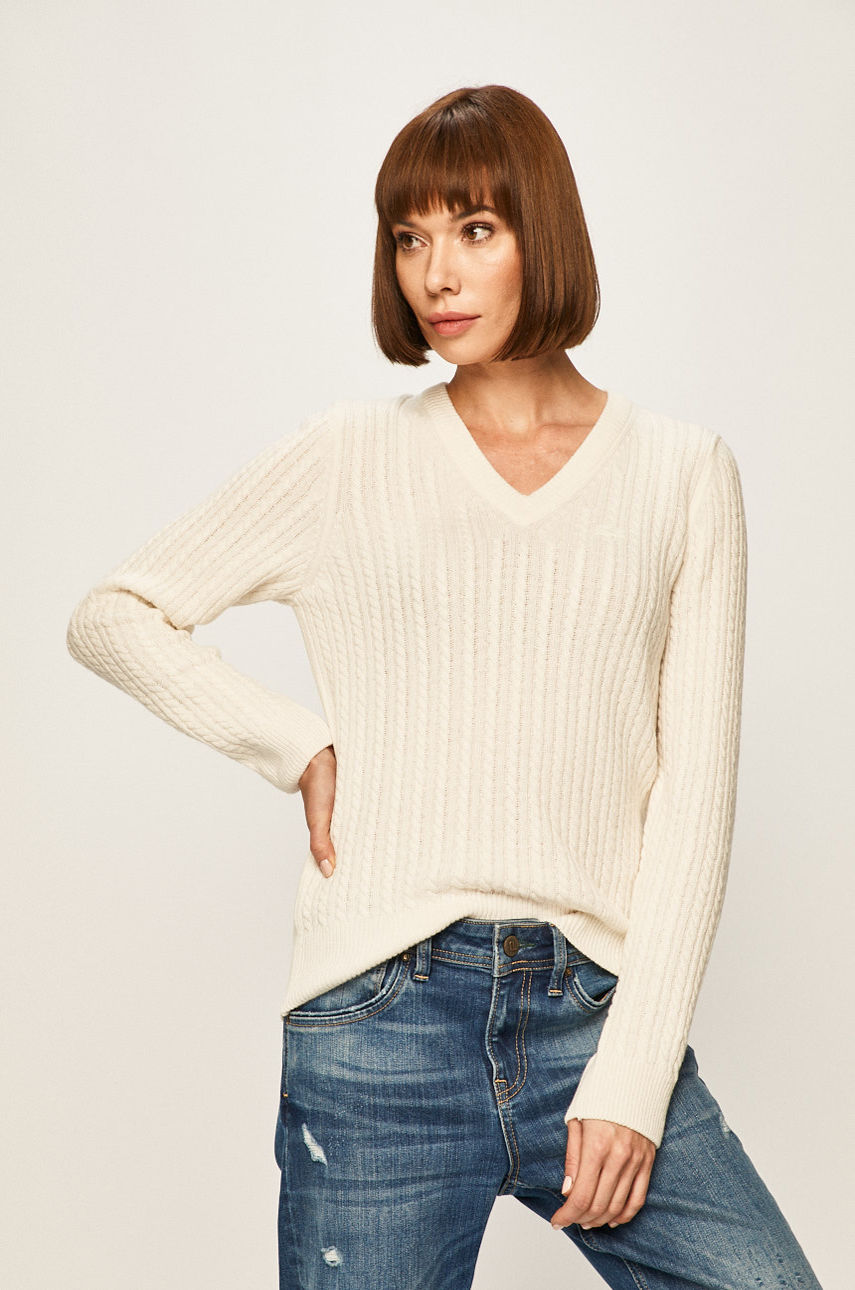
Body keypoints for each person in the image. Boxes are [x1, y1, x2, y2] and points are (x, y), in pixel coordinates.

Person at [66, 84, 823, 1289]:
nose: (436, 273)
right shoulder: (349, 456)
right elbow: (113, 614)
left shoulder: (682, 475)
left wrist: (634, 1075)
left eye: (475, 229)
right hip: (381, 1022)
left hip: (595, 1012)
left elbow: (693, 800)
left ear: (542, 234)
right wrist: (293, 743)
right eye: (409, 237)